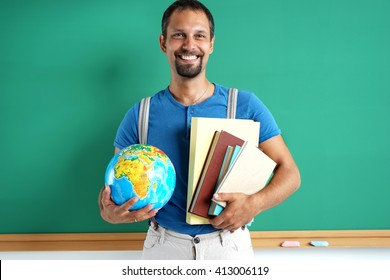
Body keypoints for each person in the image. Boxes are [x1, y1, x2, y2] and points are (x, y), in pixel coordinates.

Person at [99, 0, 300, 260]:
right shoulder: (140, 115)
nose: (189, 45)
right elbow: (111, 195)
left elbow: (291, 174)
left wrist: (254, 204)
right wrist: (110, 214)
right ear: (164, 43)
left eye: (199, 36)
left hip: (228, 247)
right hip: (163, 247)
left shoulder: (246, 105)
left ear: (211, 44)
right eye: (179, 35)